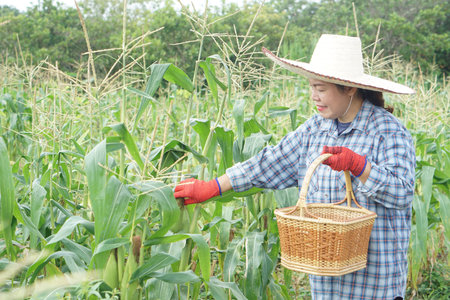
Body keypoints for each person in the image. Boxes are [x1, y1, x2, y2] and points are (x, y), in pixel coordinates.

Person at [174, 34, 416, 299]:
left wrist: (359, 166)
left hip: (374, 285)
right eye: (311, 87)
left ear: (349, 88)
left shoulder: (387, 131)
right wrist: (213, 186)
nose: (314, 96)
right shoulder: (314, 130)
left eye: (321, 89)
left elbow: (402, 194)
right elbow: (268, 164)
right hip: (326, 287)